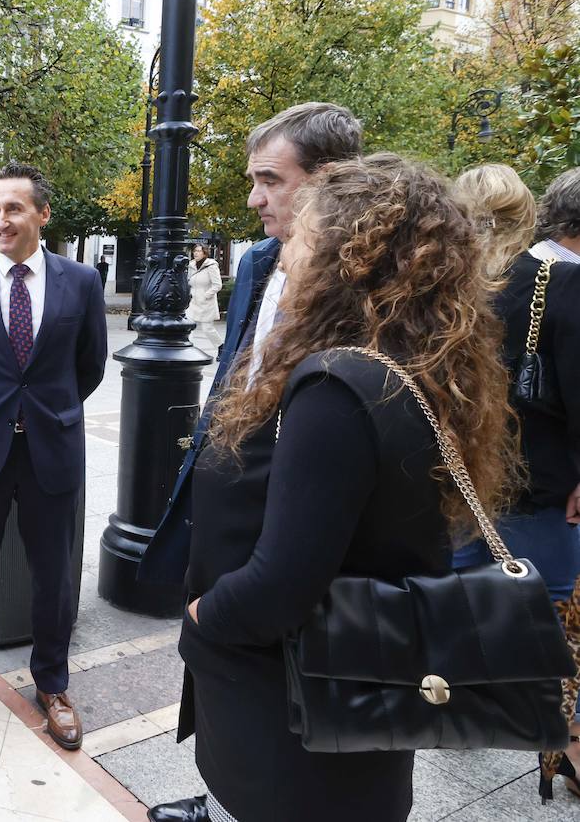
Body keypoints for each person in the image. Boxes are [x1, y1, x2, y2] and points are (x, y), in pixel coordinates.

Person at [149, 155, 518, 822]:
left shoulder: (335, 385)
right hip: (359, 693)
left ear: (349, 255)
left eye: (302, 236)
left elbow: (282, 583)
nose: (285, 252)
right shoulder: (404, 365)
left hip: (297, 722)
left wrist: (205, 621)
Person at [140, 102, 363, 585]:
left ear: (331, 180)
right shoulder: (258, 262)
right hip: (222, 525)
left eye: (271, 180)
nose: (253, 199)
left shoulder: (373, 283)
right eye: (253, 180)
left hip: (295, 544)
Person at [0, 163, 108, 750]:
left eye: (13, 209)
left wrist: (44, 412)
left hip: (51, 452)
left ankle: (52, 685)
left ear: (42, 214)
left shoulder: (81, 283)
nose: (0, 221)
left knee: (54, 574)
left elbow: (90, 367)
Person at [453, 165, 580, 801]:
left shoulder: (443, 285)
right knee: (551, 612)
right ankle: (557, 743)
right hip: (537, 476)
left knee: (465, 597)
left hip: (453, 476)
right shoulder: (558, 282)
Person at [186, 243, 222, 353]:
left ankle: (221, 347)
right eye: (194, 251)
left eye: (198, 251)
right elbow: (189, 281)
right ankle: (187, 348)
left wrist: (206, 295)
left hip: (206, 303)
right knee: (188, 326)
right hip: (193, 301)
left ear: (204, 253)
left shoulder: (211, 266)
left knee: (207, 329)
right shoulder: (191, 265)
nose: (195, 253)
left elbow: (217, 285)